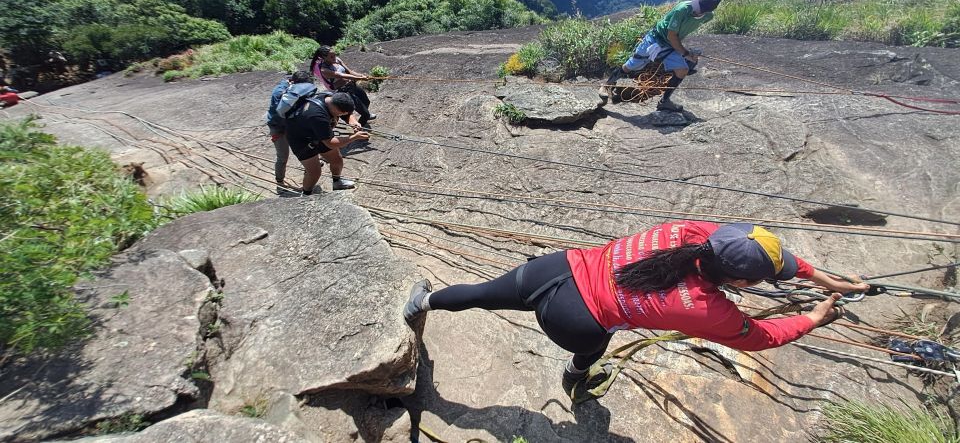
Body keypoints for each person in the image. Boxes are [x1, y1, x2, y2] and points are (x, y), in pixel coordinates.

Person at [403, 221, 870, 399]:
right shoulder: (707, 310)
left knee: (483, 292)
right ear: (741, 283)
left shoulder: (692, 233)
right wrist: (813, 316)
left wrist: (827, 280)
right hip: (578, 321)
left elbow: (759, 256)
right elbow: (761, 336)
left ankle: (422, 302)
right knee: (593, 347)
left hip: (554, 270)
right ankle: (574, 374)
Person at [607, 0, 722, 111]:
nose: (695, 8)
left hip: (671, 45)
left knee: (682, 70)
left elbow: (677, 35)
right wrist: (687, 54)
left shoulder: (708, 16)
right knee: (632, 64)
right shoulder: (682, 10)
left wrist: (686, 52)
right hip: (656, 40)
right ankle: (607, 84)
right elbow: (671, 36)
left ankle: (664, 102)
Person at [284, 77, 370, 195]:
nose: (343, 116)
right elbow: (330, 142)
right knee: (314, 172)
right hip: (301, 140)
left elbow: (347, 114)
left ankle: (337, 182)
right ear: (336, 109)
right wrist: (354, 137)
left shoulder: (331, 97)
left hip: (319, 133)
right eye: (341, 114)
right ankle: (306, 194)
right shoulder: (318, 116)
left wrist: (353, 122)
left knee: (337, 160)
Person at [310, 46, 376, 128]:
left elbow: (349, 72)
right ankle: (359, 128)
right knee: (365, 113)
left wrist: (362, 75)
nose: (334, 57)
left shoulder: (337, 60)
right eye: (331, 56)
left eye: (334, 55)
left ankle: (363, 115)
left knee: (366, 101)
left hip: (352, 86)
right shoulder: (324, 70)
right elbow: (341, 75)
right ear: (324, 57)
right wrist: (360, 78)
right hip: (344, 91)